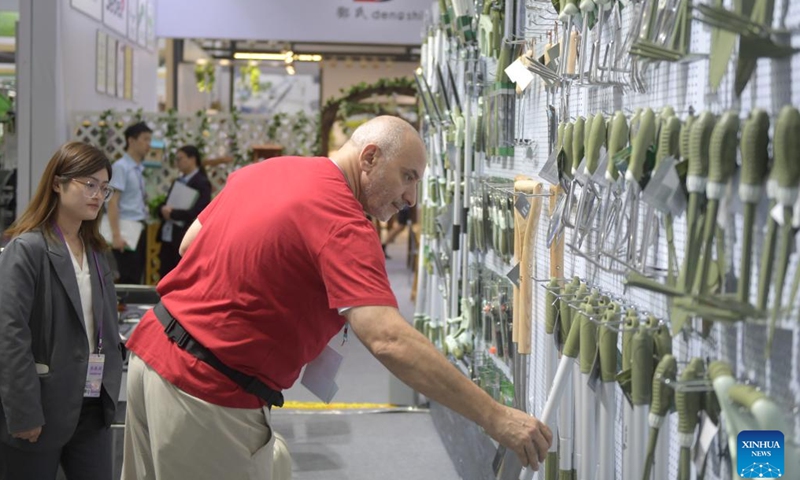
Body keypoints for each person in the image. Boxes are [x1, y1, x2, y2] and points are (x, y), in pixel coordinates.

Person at [120, 116, 552, 480]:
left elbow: (190, 243)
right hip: (206, 390)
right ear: (369, 158)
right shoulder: (342, 220)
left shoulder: (271, 169)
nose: (410, 198)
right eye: (407, 177)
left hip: (150, 358)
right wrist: (496, 416)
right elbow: (389, 340)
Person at [0, 142, 124, 480]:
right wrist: (24, 412)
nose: (98, 195)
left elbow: (106, 327)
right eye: (89, 184)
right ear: (57, 183)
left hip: (92, 406)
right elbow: (10, 337)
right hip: (41, 406)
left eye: (104, 187)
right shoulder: (27, 249)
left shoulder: (96, 251)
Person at [156, 145, 212, 278]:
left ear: (192, 159)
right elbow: (167, 202)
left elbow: (200, 211)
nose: (178, 162)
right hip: (169, 234)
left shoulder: (202, 182)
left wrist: (173, 214)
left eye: (180, 158)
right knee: (165, 271)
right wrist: (162, 210)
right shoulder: (179, 180)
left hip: (184, 235)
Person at [107, 121, 152, 284]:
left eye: (150, 140)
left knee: (137, 274)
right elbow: (112, 202)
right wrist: (116, 235)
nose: (149, 144)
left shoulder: (139, 168)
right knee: (128, 276)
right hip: (126, 228)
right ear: (131, 141)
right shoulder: (121, 167)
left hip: (139, 226)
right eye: (145, 139)